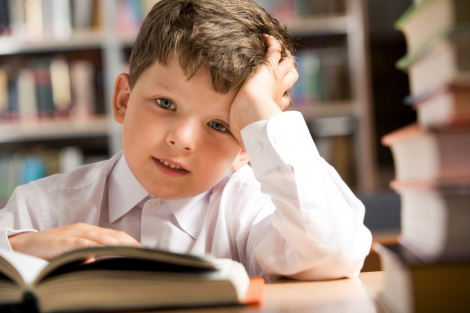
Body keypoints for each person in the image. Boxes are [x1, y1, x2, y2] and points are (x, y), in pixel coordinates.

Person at [0, 0, 372, 280]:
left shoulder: (251, 212)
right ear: (123, 100)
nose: (182, 139)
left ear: (245, 148)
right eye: (165, 103)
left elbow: (336, 253)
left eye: (219, 125)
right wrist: (16, 250)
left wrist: (261, 111)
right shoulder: (39, 210)